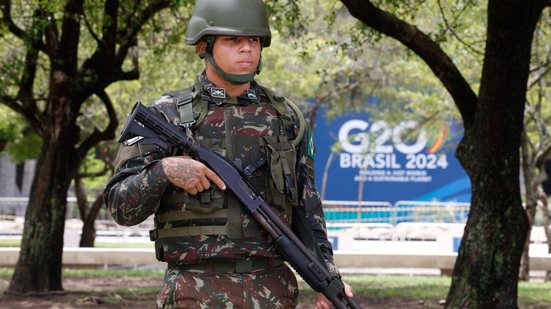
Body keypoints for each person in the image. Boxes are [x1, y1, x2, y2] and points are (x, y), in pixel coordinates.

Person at [103, 0, 353, 308]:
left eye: (254, 40)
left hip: (273, 292)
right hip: (193, 293)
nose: (247, 49)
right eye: (233, 40)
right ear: (204, 46)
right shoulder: (167, 116)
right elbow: (119, 206)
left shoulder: (285, 118)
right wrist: (164, 171)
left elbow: (307, 207)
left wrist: (327, 277)